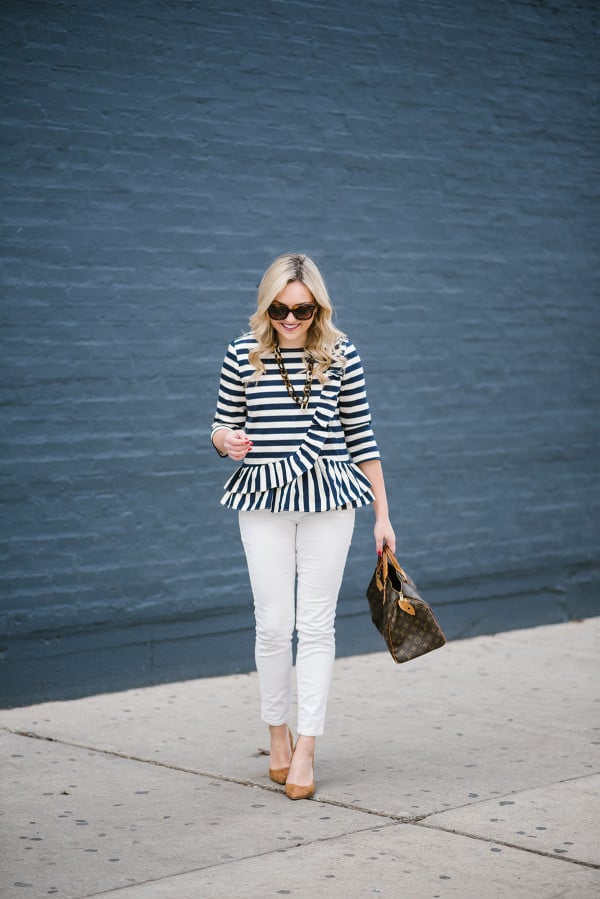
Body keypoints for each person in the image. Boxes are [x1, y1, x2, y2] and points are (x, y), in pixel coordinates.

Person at [211, 253, 395, 800]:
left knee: (315, 626)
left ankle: (308, 745)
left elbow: (362, 437)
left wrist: (383, 516)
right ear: (266, 306)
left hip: (329, 502)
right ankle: (278, 734)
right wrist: (226, 441)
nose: (290, 320)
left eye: (302, 310)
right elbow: (222, 424)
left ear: (319, 308)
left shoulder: (341, 355)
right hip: (262, 498)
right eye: (279, 309)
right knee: (272, 625)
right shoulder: (242, 353)